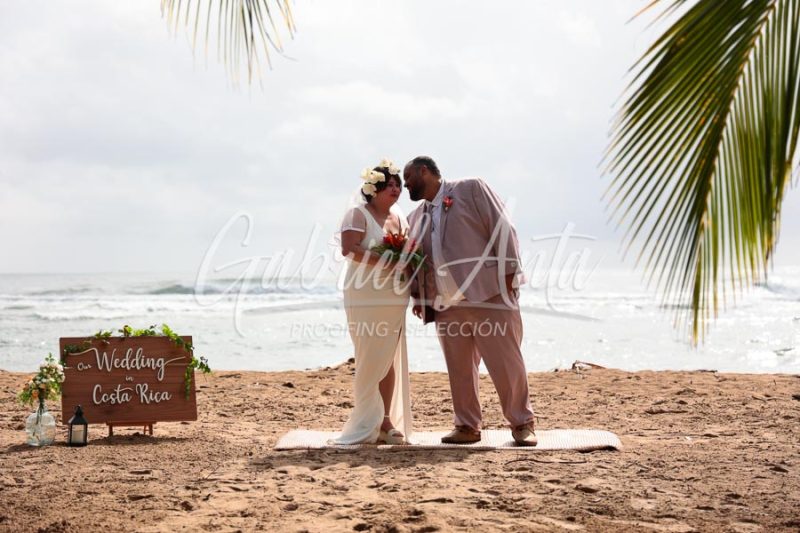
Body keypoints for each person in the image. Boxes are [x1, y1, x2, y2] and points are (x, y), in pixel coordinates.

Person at [404, 156, 537, 446]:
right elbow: (417, 261)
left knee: (506, 363)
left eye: (408, 179)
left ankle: (522, 423)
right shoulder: (415, 217)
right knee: (459, 368)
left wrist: (510, 274)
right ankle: (467, 426)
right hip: (446, 306)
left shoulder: (471, 189)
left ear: (424, 171)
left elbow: (502, 227)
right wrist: (420, 297)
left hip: (489, 295)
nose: (405, 186)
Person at [333, 158, 412, 445]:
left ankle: (386, 420)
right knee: (369, 355)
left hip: (394, 294)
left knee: (388, 356)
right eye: (388, 185)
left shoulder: (400, 217)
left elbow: (408, 250)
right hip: (364, 293)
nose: (395, 189)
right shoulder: (358, 214)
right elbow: (348, 248)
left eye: (398, 184)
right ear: (372, 189)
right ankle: (367, 417)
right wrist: (385, 260)